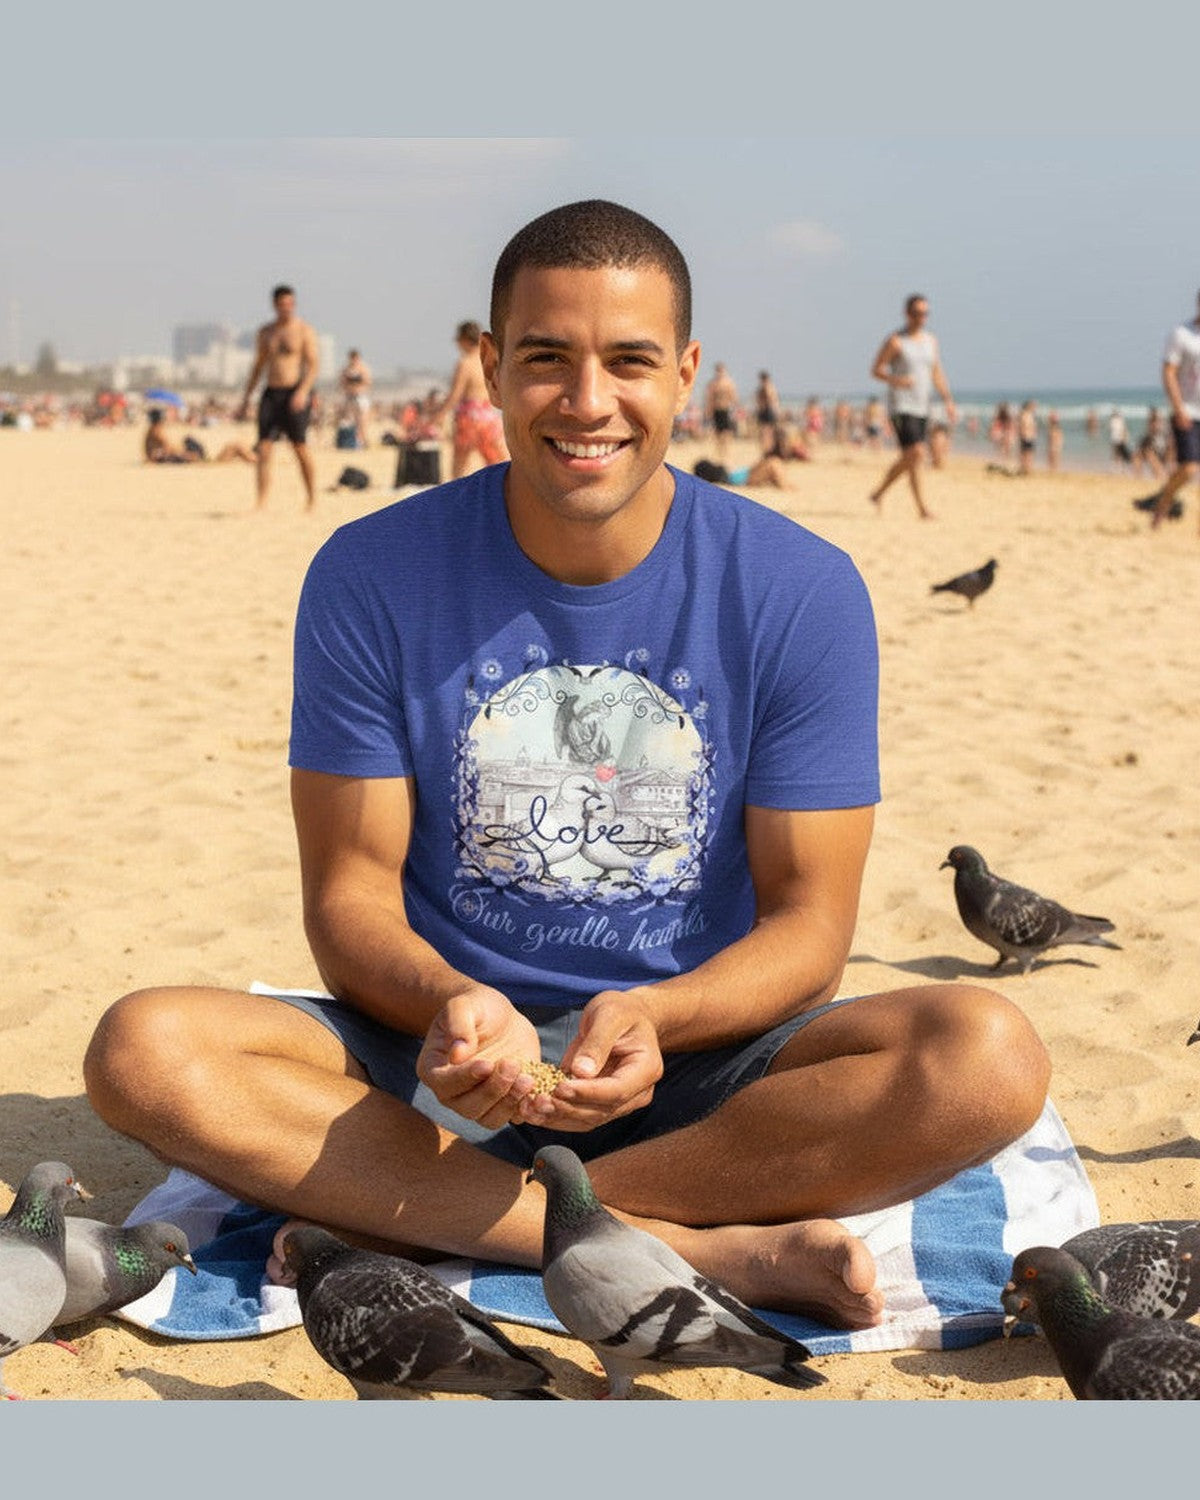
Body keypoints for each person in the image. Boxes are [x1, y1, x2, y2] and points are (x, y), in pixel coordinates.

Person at [85, 199, 1048, 1328]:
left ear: (687, 374)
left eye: (629, 361)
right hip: (440, 1065)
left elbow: (810, 928)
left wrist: (660, 1016)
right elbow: (349, 894)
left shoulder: (801, 589)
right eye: (546, 358)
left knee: (986, 1057)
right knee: (144, 1050)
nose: (588, 401)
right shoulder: (372, 572)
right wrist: (454, 1002)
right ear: (492, 369)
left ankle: (439, 1212)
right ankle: (689, 1247)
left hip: (696, 1071)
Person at [868, 294, 957, 518]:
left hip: (923, 406)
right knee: (917, 452)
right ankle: (922, 508)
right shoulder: (896, 341)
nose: (922, 318)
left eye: (925, 313)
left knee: (913, 457)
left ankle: (880, 493)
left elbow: (936, 371)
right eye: (917, 313)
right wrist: (897, 380)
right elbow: (876, 370)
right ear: (907, 314)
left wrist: (948, 399)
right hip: (901, 406)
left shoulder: (931, 341)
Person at [236, 284, 319, 511]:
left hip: (295, 393)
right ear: (275, 305)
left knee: (300, 447)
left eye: (290, 304)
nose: (287, 308)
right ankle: (261, 501)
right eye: (282, 304)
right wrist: (246, 398)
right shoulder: (266, 332)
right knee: (263, 448)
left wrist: (303, 391)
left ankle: (311, 498)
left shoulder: (304, 330)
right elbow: (258, 367)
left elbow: (313, 366)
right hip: (271, 394)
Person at [1147, 294, 1200, 530]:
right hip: (1187, 411)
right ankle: (1164, 501)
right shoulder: (1181, 334)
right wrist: (1178, 408)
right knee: (1189, 468)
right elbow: (1168, 371)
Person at [433, 320, 510, 480]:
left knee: (459, 465)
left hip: (468, 417)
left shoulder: (465, 363)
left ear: (464, 340)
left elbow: (456, 394)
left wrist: (440, 415)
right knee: (497, 462)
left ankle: (457, 495)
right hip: (488, 415)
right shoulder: (490, 361)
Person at [143, 408, 255, 465]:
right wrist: (187, 454)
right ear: (160, 420)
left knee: (236, 446)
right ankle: (257, 461)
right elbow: (169, 450)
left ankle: (255, 458)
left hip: (194, 457)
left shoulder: (153, 432)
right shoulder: (157, 432)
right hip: (198, 460)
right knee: (236, 446)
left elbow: (159, 452)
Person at [704, 361, 739, 462]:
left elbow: (734, 397)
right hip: (716, 410)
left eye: (721, 370)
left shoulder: (728, 383)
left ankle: (726, 452)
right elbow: (709, 398)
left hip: (726, 410)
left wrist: (736, 410)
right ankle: (719, 452)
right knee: (717, 432)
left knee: (726, 432)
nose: (719, 372)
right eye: (718, 370)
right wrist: (708, 411)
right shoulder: (713, 384)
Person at [339, 349, 373, 449]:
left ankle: (362, 440)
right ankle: (352, 440)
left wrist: (357, 383)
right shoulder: (346, 369)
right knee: (349, 420)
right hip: (349, 396)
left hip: (361, 396)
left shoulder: (363, 368)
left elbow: (368, 382)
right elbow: (342, 382)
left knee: (362, 420)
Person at [754, 370, 780, 441]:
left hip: (767, 410)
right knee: (767, 429)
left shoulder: (766, 387)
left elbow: (771, 399)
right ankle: (767, 442)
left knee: (766, 429)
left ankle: (767, 442)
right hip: (767, 410)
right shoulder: (770, 387)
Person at [1017, 400, 1038, 475]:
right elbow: (1023, 426)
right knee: (1027, 453)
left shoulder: (1028, 415)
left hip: (1029, 436)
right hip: (1027, 436)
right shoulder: (1025, 415)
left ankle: (1026, 468)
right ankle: (1025, 468)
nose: (1034, 407)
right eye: (1033, 406)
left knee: (1027, 453)